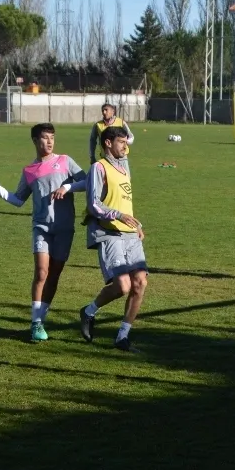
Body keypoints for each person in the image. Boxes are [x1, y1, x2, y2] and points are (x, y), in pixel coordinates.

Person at [0, 123, 87, 342]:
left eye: (52, 138)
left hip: (65, 229)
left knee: (54, 275)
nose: (49, 142)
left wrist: (67, 187)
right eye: (45, 138)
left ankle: (41, 318)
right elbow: (18, 200)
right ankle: (36, 323)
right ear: (35, 140)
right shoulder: (29, 171)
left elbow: (86, 182)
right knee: (41, 273)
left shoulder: (65, 161)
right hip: (41, 227)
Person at [79, 126, 148, 352]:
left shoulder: (124, 166)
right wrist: (118, 215)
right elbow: (94, 204)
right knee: (122, 286)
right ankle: (89, 311)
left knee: (140, 283)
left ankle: (122, 337)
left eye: (126, 142)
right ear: (108, 143)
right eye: (121, 142)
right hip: (109, 232)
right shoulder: (99, 168)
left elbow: (125, 200)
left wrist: (137, 225)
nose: (125, 147)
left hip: (130, 233)